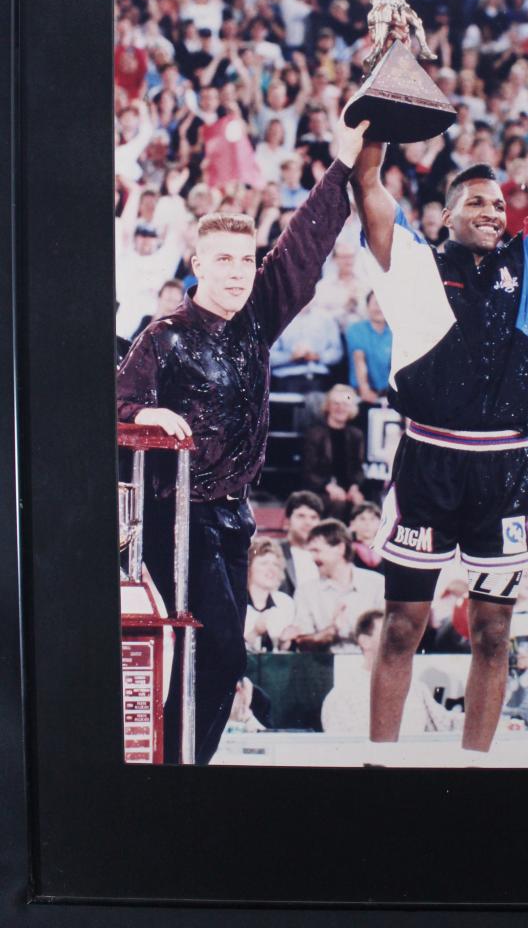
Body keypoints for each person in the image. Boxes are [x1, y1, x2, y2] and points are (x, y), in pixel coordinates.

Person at [350, 0, 528, 754]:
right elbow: (368, 187)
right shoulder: (414, 262)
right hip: (427, 459)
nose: (492, 209)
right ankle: (379, 769)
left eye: (498, 203)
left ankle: (473, 771)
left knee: (495, 633)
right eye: (474, 201)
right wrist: (381, 95)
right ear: (445, 216)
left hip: (504, 467)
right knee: (402, 626)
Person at [116, 108, 371, 764]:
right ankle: (171, 770)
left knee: (216, 660)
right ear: (197, 263)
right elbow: (113, 405)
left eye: (247, 260)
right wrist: (144, 417)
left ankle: (178, 769)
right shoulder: (163, 336)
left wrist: (343, 164)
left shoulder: (257, 317)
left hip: (233, 516)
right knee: (219, 650)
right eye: (224, 260)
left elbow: (304, 245)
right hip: (175, 516)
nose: (238, 271)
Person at [320, 609, 461, 736]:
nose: (397, 639)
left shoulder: (416, 688)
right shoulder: (342, 696)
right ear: (365, 641)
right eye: (388, 632)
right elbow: (343, 748)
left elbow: (448, 724)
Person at [287, 520, 385, 652]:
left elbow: (391, 635)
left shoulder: (377, 584)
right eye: (311, 552)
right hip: (325, 664)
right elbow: (302, 642)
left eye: (317, 551)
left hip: (371, 663)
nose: (313, 558)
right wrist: (331, 631)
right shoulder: (306, 591)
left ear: (340, 549)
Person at [302, 384, 366, 519]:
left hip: (347, 489)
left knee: (362, 505)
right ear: (328, 406)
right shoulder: (314, 434)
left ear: (351, 408)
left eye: (345, 404)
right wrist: (328, 486)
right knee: (338, 503)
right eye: (336, 403)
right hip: (321, 489)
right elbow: (309, 471)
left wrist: (354, 487)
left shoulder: (356, 435)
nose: (340, 408)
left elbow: (358, 468)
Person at [243, 538, 295, 653]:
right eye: (264, 563)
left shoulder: (286, 603)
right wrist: (255, 632)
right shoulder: (237, 603)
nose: (271, 569)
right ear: (249, 567)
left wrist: (284, 643)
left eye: (275, 564)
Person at [346, 291, 392, 403]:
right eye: (376, 303)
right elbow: (359, 360)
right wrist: (365, 390)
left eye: (384, 303)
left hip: (389, 394)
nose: (380, 308)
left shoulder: (395, 332)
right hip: (363, 393)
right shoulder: (356, 329)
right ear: (367, 306)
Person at [276, 490, 323, 596]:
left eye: (313, 517)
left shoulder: (326, 554)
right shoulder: (275, 551)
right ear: (287, 520)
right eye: (301, 516)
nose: (308, 522)